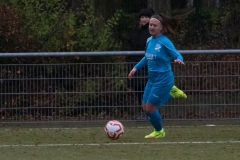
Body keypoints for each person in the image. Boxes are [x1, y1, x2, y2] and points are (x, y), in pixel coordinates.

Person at [128, 14, 185, 138]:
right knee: (145, 107)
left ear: (161, 28)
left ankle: (159, 131)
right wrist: (135, 68)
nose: (151, 27)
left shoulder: (164, 42)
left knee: (150, 109)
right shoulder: (149, 40)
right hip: (152, 79)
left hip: (163, 79)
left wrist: (179, 59)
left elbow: (177, 54)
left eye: (155, 25)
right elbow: (147, 57)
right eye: (150, 25)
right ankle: (172, 93)